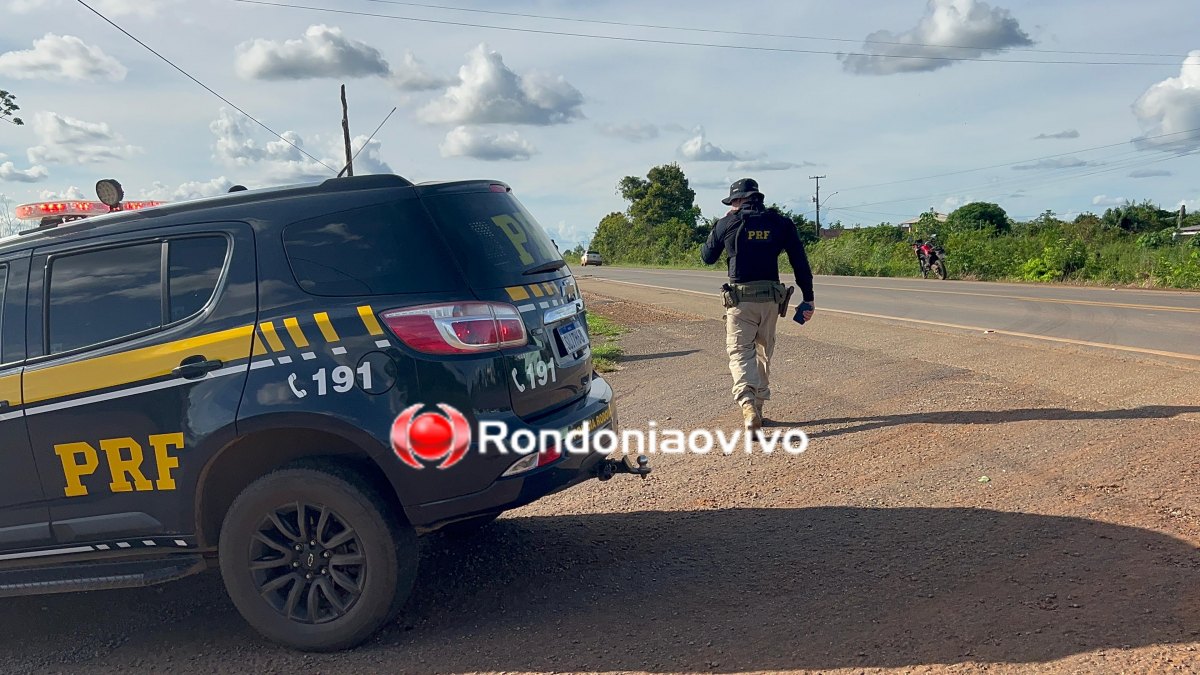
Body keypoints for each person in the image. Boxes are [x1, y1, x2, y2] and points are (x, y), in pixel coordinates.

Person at [701, 178, 815, 431]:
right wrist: (808, 297)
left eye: (733, 202)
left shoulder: (727, 223)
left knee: (741, 352)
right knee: (764, 352)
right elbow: (800, 262)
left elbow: (708, 257)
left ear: (738, 201)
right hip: (771, 301)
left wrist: (719, 226)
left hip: (741, 300)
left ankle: (747, 403)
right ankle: (759, 410)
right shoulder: (780, 223)